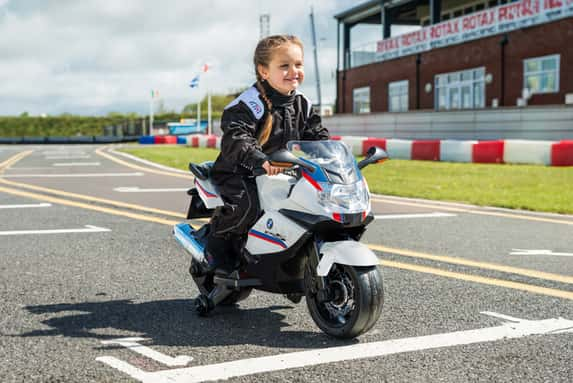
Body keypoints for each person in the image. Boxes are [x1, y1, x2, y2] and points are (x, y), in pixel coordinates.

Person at [204, 34, 329, 275]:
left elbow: (318, 137)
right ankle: (216, 245)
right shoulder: (248, 104)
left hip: (284, 169)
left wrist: (332, 160)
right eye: (284, 65)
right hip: (240, 171)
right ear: (263, 71)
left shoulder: (303, 103)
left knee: (314, 201)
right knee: (248, 205)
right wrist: (260, 160)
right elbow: (237, 138)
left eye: (298, 64)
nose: (294, 71)